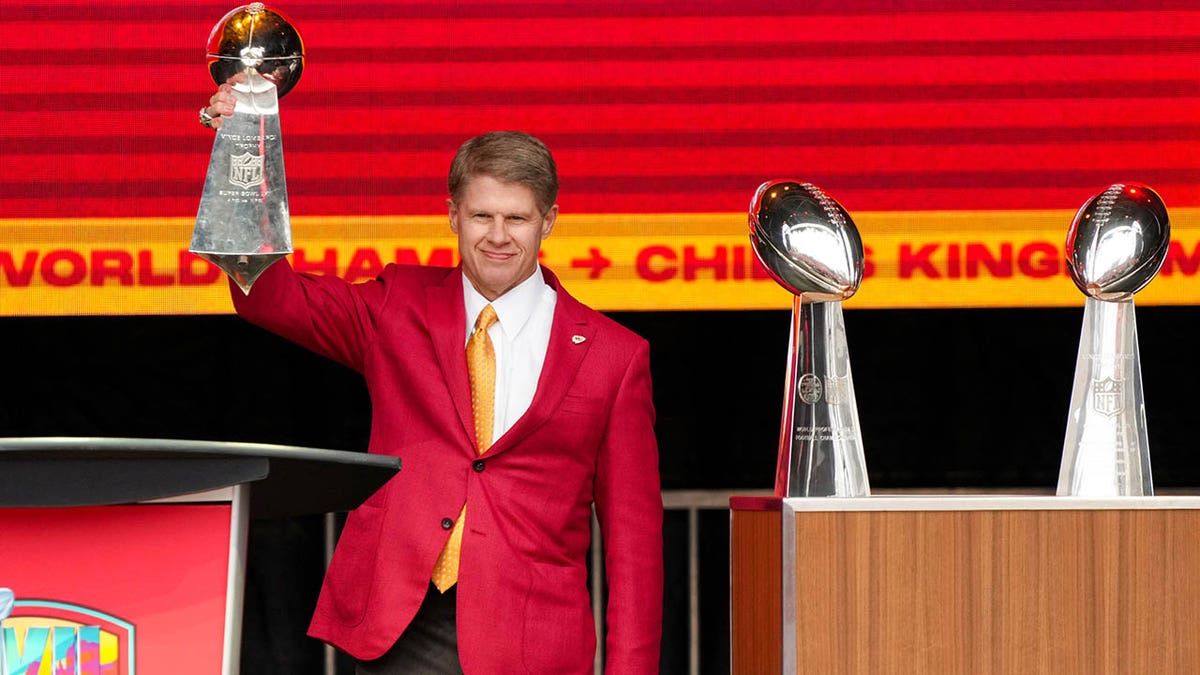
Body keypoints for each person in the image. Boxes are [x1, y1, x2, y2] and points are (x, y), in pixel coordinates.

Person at [201, 87, 664, 674]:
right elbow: (270, 299)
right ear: (452, 215)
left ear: (549, 220)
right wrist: (242, 150)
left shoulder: (614, 357)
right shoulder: (399, 306)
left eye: (517, 218)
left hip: (533, 639)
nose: (498, 236)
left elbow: (634, 547)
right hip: (403, 625)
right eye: (482, 216)